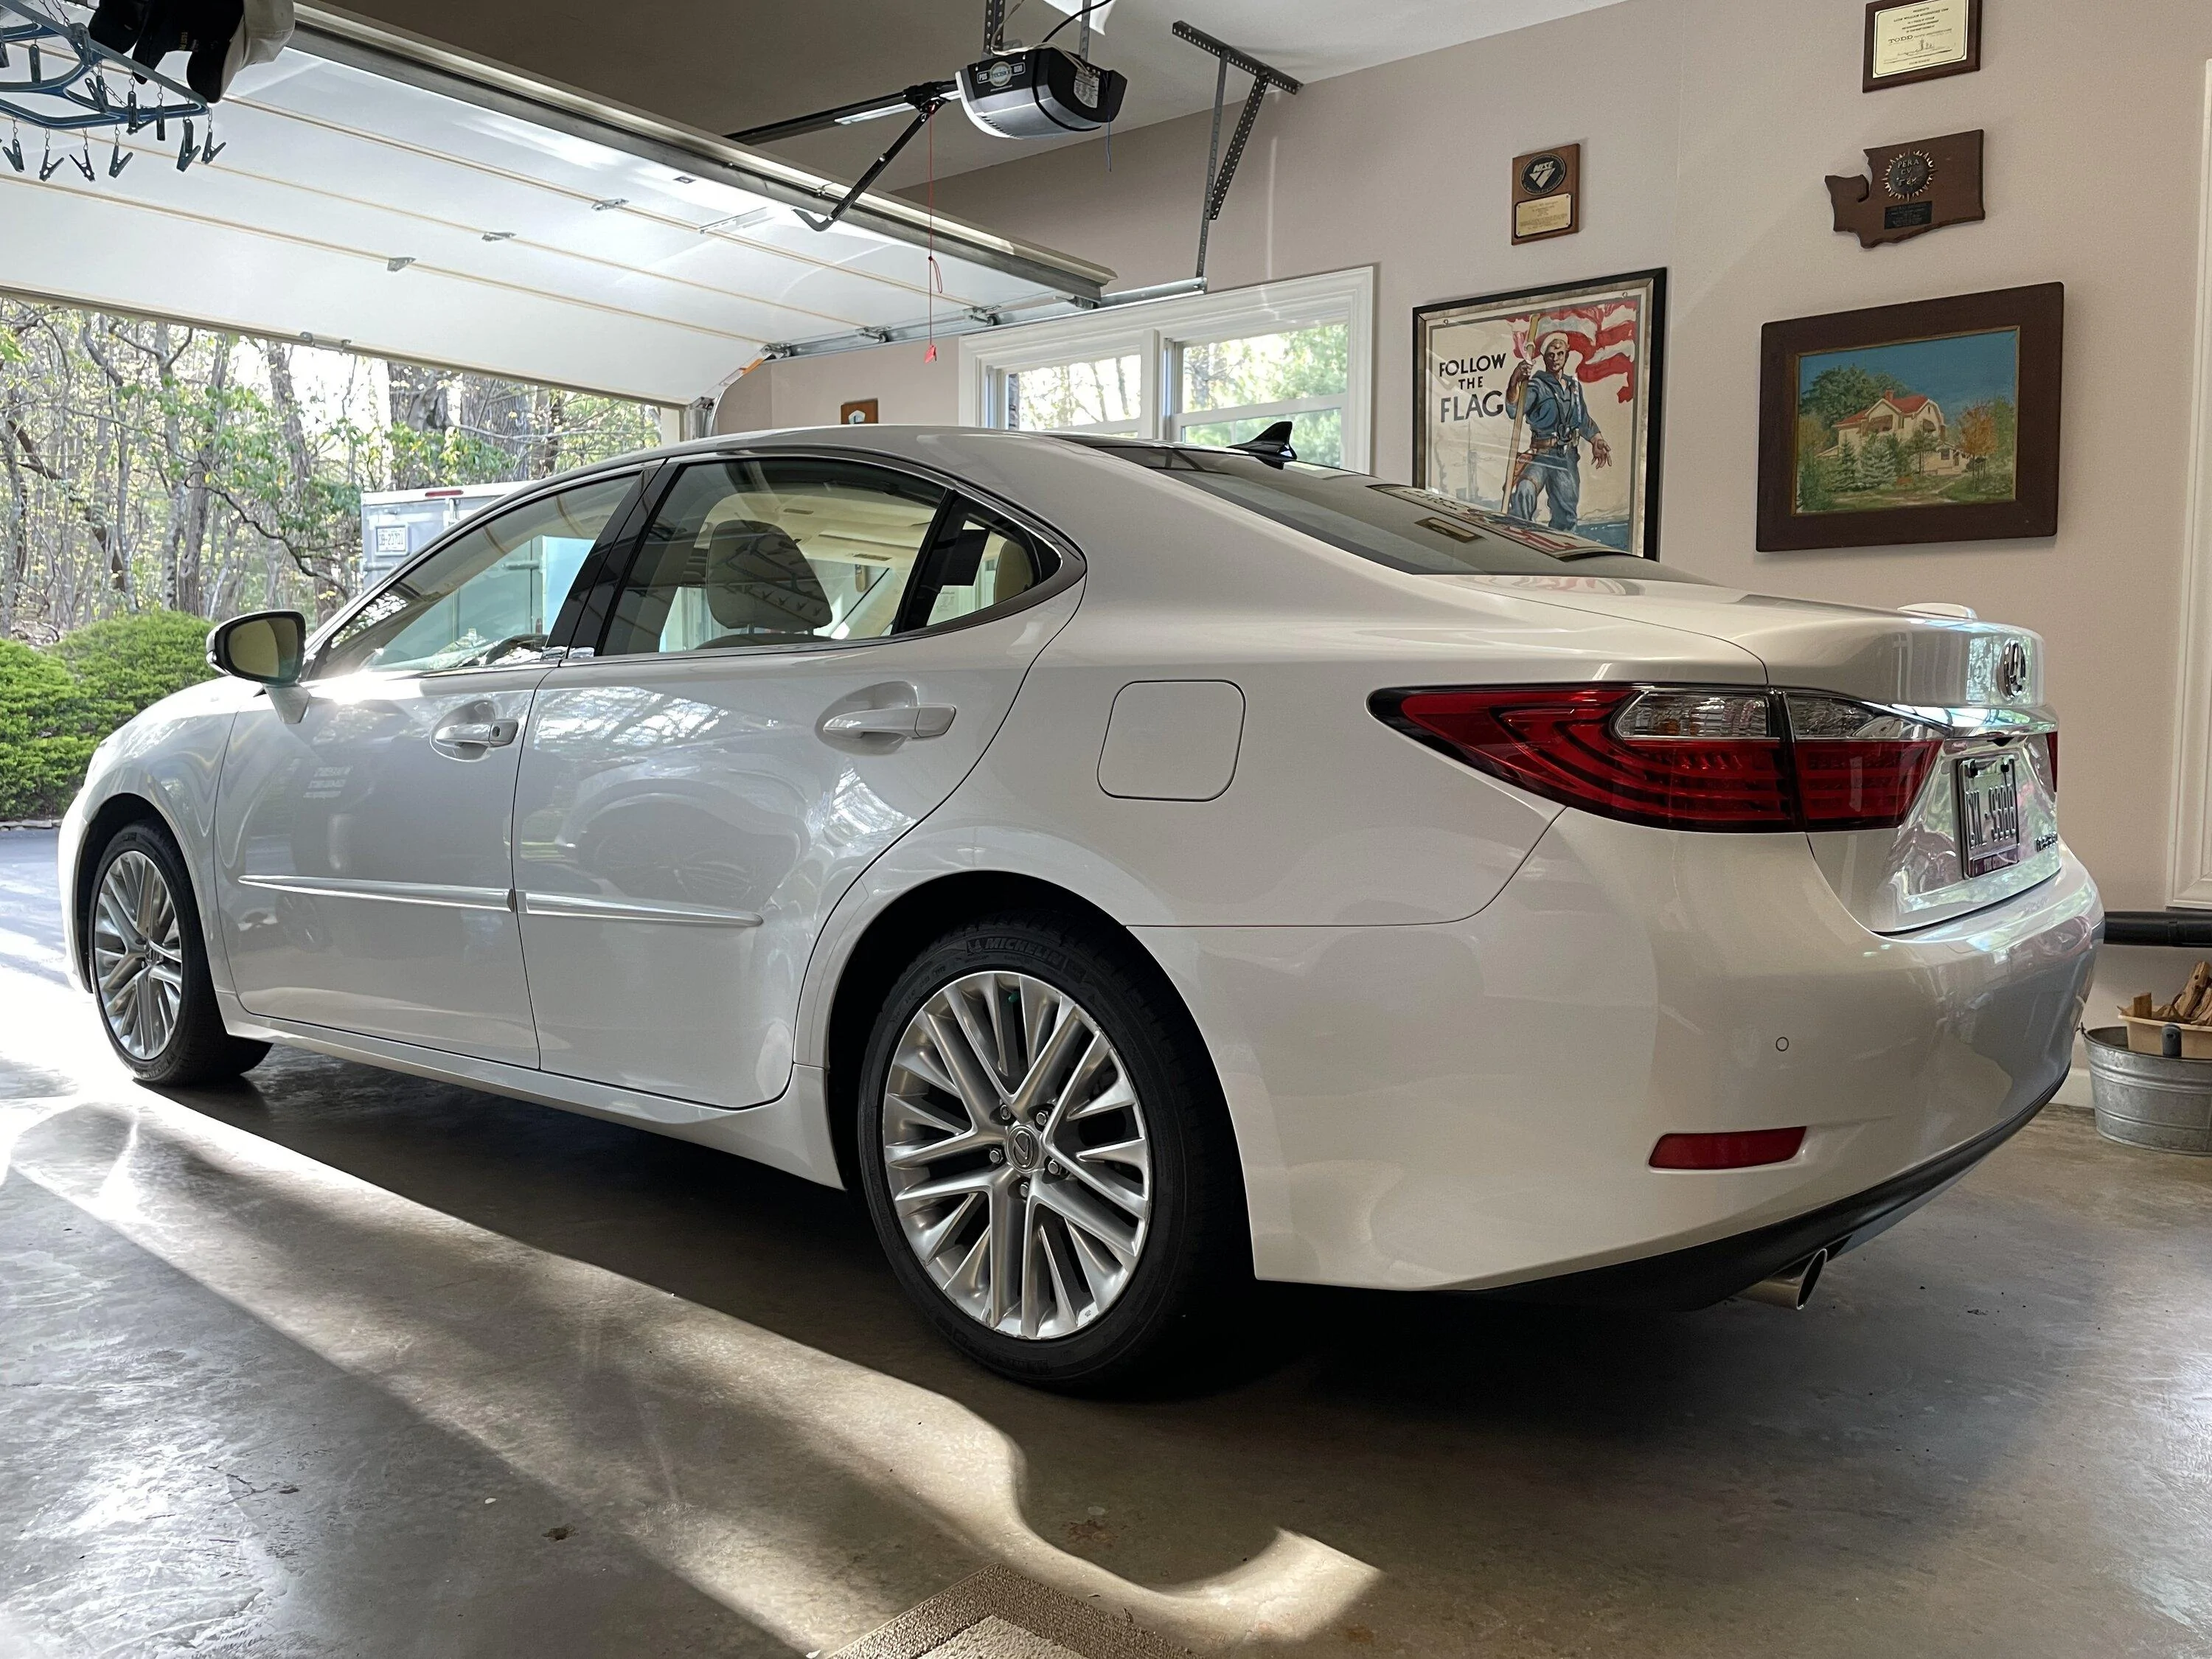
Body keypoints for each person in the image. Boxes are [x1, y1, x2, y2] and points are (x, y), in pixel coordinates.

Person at [1505, 331, 1612, 532]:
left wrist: (1597, 439)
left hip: (1566, 457)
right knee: (1524, 491)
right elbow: (1514, 411)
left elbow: (1583, 420)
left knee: (1566, 514)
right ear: (1544, 357)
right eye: (1551, 355)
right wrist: (1515, 381)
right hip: (1541, 455)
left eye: (1560, 354)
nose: (1556, 359)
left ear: (1566, 355)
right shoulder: (1536, 385)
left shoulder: (1574, 387)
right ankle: (1520, 538)